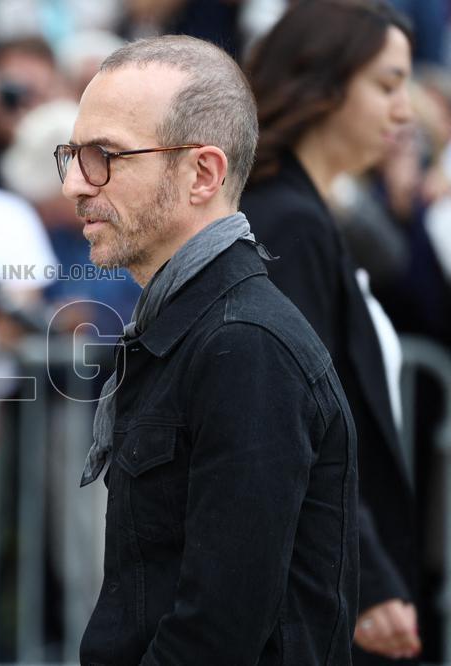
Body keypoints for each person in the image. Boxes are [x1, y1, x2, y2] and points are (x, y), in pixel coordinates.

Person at [64, 35, 358, 665]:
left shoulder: (243, 346)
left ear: (203, 174)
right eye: (72, 154)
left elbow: (216, 633)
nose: (73, 184)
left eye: (104, 156)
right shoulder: (194, 325)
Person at [241, 1, 419, 662]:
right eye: (387, 85)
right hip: (316, 594)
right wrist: (368, 578)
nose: (403, 112)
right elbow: (302, 420)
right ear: (321, 80)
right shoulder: (288, 220)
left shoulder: (301, 211)